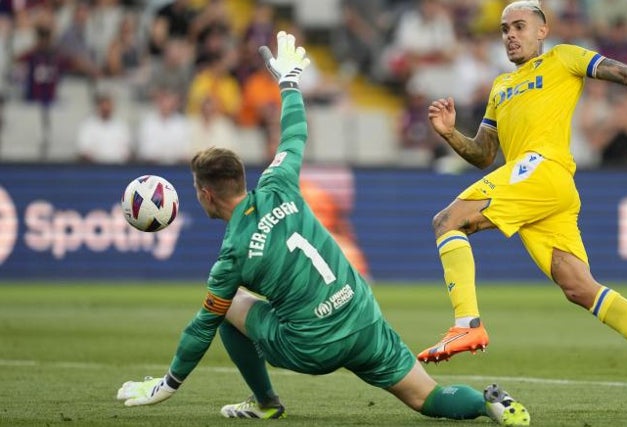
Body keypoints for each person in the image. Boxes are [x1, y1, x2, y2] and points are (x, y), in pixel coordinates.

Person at [116, 31, 530, 427]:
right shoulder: (277, 182)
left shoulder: (232, 254)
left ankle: (265, 404)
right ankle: (487, 402)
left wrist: (168, 384)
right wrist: (290, 83)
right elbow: (295, 132)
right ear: (241, 179)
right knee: (425, 397)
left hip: (312, 346)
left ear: (206, 195)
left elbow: (200, 327)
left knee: (228, 310)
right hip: (361, 314)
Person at [417, 1, 627, 403]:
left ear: (542, 31)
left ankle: (467, 322)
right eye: (504, 29)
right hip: (538, 188)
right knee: (578, 286)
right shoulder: (500, 87)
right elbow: (483, 154)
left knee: (448, 221)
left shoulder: (564, 58)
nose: (510, 35)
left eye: (519, 27)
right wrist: (449, 133)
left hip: (544, 170)